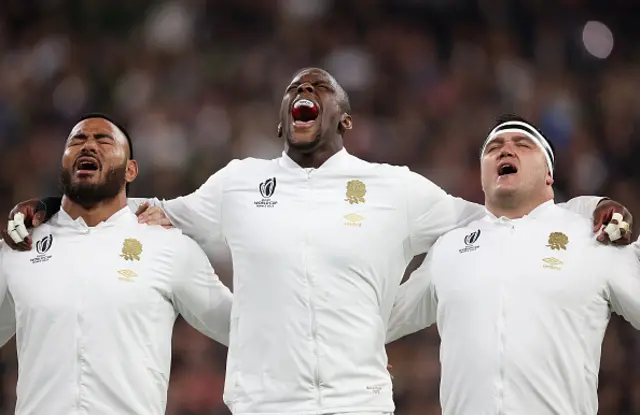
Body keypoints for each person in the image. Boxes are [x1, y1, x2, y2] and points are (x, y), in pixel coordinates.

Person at [1, 70, 630, 415]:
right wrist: (53, 208)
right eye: (295, 90)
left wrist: (579, 210)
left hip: (358, 403)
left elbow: (498, 216)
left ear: (344, 119)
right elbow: (142, 210)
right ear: (281, 121)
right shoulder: (238, 183)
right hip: (262, 404)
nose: (306, 91)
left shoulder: (395, 189)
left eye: (321, 88)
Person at [386, 115, 640, 415]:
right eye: (493, 148)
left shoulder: (593, 236)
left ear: (549, 173)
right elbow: (380, 321)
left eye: (522, 144)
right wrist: (362, 355)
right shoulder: (449, 246)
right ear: (483, 175)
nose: (505, 150)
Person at [0, 114, 233, 415]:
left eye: (104, 140)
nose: (88, 146)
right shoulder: (19, 247)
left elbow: (238, 326)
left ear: (131, 170)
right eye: (77, 141)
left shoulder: (167, 247)